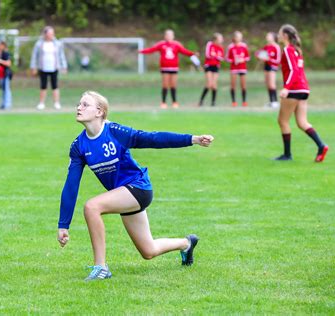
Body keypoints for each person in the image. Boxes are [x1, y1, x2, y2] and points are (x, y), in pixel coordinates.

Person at [57, 91, 214, 281]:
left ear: (99, 111)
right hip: (124, 195)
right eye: (78, 104)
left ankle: (101, 268)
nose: (78, 108)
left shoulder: (115, 132)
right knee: (148, 251)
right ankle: (186, 243)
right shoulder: (78, 146)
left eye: (85, 104)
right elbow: (71, 185)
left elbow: (152, 138)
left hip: (139, 188)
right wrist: (63, 224)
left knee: (92, 206)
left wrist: (193, 139)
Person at [275, 24, 328, 162]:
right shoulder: (296, 50)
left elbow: (293, 70)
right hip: (303, 89)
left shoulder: (287, 50)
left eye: (280, 33)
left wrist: (286, 87)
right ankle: (321, 145)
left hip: (294, 89)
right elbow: (295, 70)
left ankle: (287, 155)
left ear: (285, 36)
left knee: (282, 120)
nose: (278, 35)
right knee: (302, 122)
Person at [139, 29, 200, 109]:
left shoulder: (176, 44)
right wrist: (142, 51)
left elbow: (184, 51)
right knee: (165, 85)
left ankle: (174, 102)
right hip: (165, 67)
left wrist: (193, 54)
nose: (169, 37)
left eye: (170, 35)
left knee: (173, 85)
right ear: (165, 36)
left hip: (174, 68)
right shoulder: (161, 44)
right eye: (167, 35)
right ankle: (163, 102)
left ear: (173, 36)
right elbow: (151, 50)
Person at [30, 26, 68, 110]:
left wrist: (64, 66)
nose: (52, 35)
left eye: (52, 33)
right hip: (43, 68)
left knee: (55, 85)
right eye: (50, 33)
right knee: (43, 86)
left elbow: (61, 55)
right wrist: (33, 67)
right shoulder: (39, 44)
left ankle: (56, 103)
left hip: (54, 67)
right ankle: (41, 103)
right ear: (45, 34)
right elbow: (34, 56)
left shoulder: (57, 44)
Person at [256, 32, 281, 108]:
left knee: (272, 84)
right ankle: (271, 102)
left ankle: (275, 102)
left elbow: (278, 60)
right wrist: (259, 56)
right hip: (266, 66)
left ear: (273, 37)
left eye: (269, 36)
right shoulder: (266, 47)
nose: (267, 37)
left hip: (272, 66)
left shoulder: (276, 47)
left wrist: (268, 59)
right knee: (268, 85)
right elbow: (258, 53)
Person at [199, 33, 224, 107]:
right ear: (215, 39)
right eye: (220, 39)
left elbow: (221, 58)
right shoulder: (210, 44)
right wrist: (216, 56)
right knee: (209, 84)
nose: (221, 40)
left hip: (216, 66)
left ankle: (213, 102)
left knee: (214, 85)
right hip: (209, 65)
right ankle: (201, 101)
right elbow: (208, 55)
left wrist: (215, 56)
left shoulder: (220, 47)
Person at [226, 31, 250, 107]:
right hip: (234, 68)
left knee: (243, 85)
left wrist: (242, 60)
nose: (240, 38)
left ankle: (244, 101)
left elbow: (248, 57)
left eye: (241, 37)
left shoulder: (244, 46)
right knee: (233, 85)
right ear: (234, 38)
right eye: (238, 36)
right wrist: (234, 60)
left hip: (242, 68)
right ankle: (233, 102)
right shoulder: (230, 46)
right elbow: (227, 58)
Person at [0, 41, 13, 110]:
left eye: (0, 45)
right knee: (3, 90)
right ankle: (3, 104)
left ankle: (7, 104)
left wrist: (0, 61)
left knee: (7, 89)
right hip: (1, 74)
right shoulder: (1, 53)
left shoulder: (6, 53)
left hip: (6, 74)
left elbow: (8, 63)